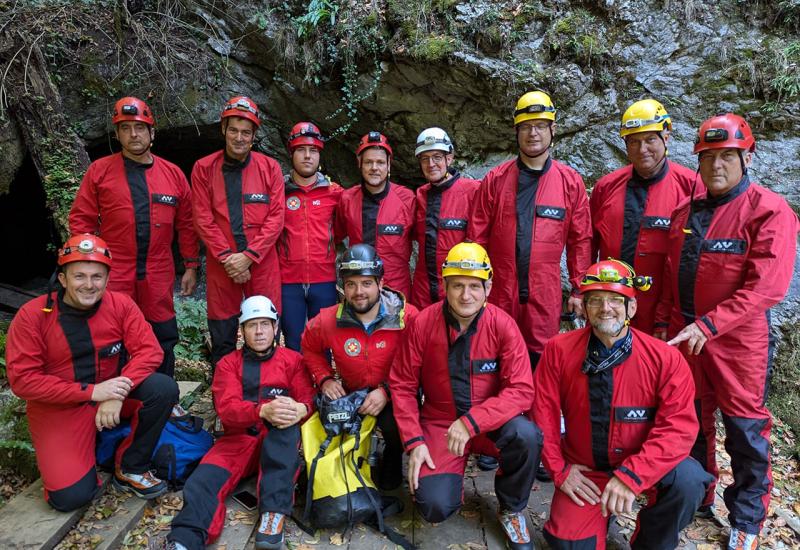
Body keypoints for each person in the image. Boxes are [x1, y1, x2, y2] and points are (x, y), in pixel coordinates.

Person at [655, 113, 800, 550]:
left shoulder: (769, 210)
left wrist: (712, 324)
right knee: (690, 422)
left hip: (739, 343)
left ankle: (747, 518)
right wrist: (665, 326)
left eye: (727, 157)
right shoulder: (685, 213)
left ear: (747, 156)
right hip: (686, 336)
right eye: (708, 157)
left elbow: (767, 287)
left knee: (744, 428)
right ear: (698, 162)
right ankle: (696, 496)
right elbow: (667, 277)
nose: (717, 166)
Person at [532, 259, 712, 549]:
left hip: (645, 467)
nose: (606, 308)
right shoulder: (558, 350)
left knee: (688, 481)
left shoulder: (664, 359)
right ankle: (599, 514)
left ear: (632, 308)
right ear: (584, 307)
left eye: (616, 300)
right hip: (587, 472)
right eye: (596, 300)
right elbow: (544, 417)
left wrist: (632, 476)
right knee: (567, 545)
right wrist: (560, 471)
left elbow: (678, 428)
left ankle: (650, 542)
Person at [5, 234, 178, 511]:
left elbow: (151, 351)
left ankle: (131, 465)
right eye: (79, 276)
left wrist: (117, 392)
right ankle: (86, 453)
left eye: (97, 276)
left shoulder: (120, 305)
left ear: (108, 279)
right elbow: (24, 381)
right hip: (60, 408)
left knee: (163, 388)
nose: (89, 285)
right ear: (62, 279)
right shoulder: (32, 316)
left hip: (109, 393)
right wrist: (93, 392)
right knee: (70, 497)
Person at [390, 242, 541, 550]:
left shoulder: (502, 325)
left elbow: (521, 390)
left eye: (475, 286)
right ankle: (451, 479)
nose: (466, 295)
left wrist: (473, 421)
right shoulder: (423, 323)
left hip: (489, 424)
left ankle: (511, 508)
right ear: (445, 285)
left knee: (526, 436)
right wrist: (414, 442)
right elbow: (402, 384)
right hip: (440, 423)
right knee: (432, 507)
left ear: (488, 287)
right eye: (457, 285)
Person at [167, 296, 314, 550]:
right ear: (242, 330)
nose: (259, 332)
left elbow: (307, 398)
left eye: (265, 324)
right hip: (238, 439)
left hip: (278, 438)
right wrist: (261, 411)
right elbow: (227, 410)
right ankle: (185, 540)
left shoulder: (293, 361)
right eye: (252, 325)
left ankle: (272, 516)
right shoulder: (228, 365)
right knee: (204, 480)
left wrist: (302, 408)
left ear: (275, 327)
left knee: (285, 432)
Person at [69, 96, 199, 377]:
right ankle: (114, 395)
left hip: (158, 268)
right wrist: (86, 266)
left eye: (140, 128)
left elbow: (187, 224)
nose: (133, 134)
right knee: (112, 334)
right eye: (125, 128)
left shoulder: (173, 175)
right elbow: (81, 220)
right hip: (116, 267)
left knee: (163, 333)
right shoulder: (99, 172)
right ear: (117, 134)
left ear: (152, 133)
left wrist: (190, 265)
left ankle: (164, 395)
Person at [468, 90, 592, 369]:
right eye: (525, 127)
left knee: (541, 361)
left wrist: (579, 289)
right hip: (499, 290)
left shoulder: (569, 182)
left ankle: (536, 414)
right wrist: (475, 287)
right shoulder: (495, 180)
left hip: (544, 292)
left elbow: (580, 240)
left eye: (539, 126)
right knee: (495, 358)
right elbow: (476, 239)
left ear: (553, 129)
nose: (532, 133)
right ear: (516, 131)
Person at [301, 244, 417, 490]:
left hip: (395, 393)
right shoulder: (328, 320)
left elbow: (420, 362)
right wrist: (325, 379)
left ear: (380, 283)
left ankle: (393, 456)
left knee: (394, 432)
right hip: (351, 394)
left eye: (366, 283)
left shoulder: (408, 318)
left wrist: (387, 391)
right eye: (351, 284)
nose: (358, 292)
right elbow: (309, 348)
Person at [589, 99, 696, 334]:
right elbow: (588, 244)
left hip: (662, 310)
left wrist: (668, 317)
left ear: (665, 138)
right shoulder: (606, 187)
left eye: (650, 139)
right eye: (634, 141)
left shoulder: (691, 188)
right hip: (610, 304)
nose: (642, 149)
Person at [192, 96, 285, 365]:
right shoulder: (203, 168)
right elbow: (202, 217)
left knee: (266, 324)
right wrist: (229, 257)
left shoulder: (270, 168)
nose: (239, 137)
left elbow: (276, 217)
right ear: (223, 130)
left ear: (255, 135)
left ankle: (269, 381)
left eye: (246, 132)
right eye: (233, 130)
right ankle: (224, 387)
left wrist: (249, 256)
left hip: (262, 260)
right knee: (222, 328)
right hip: (222, 262)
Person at [278, 122, 343, 351]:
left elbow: (342, 230)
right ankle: (297, 388)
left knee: (323, 342)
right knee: (293, 342)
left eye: (313, 150)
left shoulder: (335, 193)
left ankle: (323, 387)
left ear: (319, 154)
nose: (307, 156)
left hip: (324, 280)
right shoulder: (279, 191)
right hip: (288, 281)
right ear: (291, 152)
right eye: (301, 150)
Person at [336, 132, 415, 298]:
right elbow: (333, 237)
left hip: (396, 288)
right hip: (359, 289)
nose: (374, 167)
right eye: (368, 162)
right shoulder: (347, 199)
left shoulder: (407, 199)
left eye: (380, 162)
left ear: (389, 165)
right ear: (359, 164)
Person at [409, 127, 480, 309]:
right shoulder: (419, 196)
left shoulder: (473, 192)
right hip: (422, 288)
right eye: (425, 159)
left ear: (449, 158)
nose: (431, 164)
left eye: (437, 157)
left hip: (459, 286)